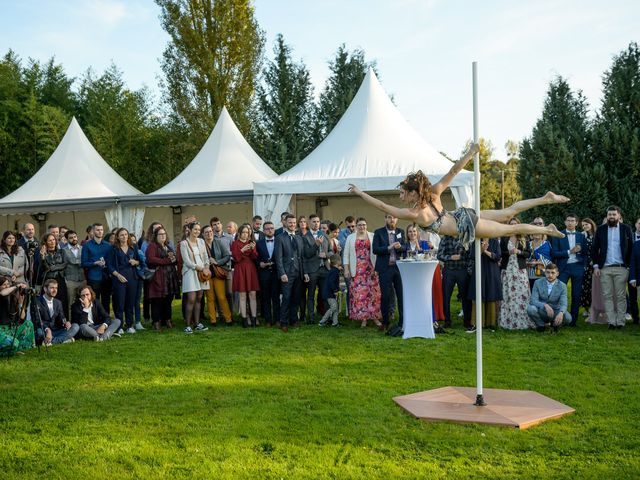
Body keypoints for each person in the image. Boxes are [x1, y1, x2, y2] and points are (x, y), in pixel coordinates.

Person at [348, 144, 567, 249]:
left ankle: (547, 230)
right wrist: (470, 154)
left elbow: (383, 207)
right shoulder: (434, 193)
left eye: (403, 193)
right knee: (508, 212)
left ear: (414, 192)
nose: (401, 196)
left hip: (466, 225)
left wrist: (360, 193)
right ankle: (545, 198)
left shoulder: (414, 213)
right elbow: (453, 172)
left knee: (511, 228)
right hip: (464, 213)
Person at [591, 206, 634, 329]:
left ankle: (620, 322)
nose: (611, 217)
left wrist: (629, 267)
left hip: (621, 268)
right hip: (605, 268)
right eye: (609, 214)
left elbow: (630, 248)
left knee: (621, 296)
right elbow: (595, 249)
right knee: (607, 295)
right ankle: (611, 321)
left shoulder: (626, 229)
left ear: (619, 216)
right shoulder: (601, 229)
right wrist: (596, 266)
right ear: (607, 216)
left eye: (614, 214)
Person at [344, 217, 382, 328]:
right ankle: (363, 318)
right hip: (357, 270)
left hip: (371, 268)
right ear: (356, 226)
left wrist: (377, 268)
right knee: (360, 295)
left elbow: (377, 253)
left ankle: (375, 317)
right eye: (360, 225)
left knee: (373, 294)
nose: (362, 227)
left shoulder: (372, 236)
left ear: (366, 225)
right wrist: (346, 269)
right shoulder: (350, 238)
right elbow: (346, 254)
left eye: (364, 224)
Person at [274, 214, 308, 332]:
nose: (292, 225)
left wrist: (305, 273)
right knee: (286, 298)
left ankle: (294, 320)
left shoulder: (299, 238)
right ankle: (283, 322)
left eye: (294, 223)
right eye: (290, 223)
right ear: (285, 223)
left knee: (296, 298)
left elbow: (302, 257)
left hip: (298, 272)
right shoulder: (280, 238)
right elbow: (278, 258)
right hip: (286, 273)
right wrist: (282, 273)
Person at [405, 224, 445, 326]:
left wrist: (418, 247)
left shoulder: (424, 243)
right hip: (411, 275)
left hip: (423, 275)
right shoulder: (405, 245)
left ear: (417, 233)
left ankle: (429, 318)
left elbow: (427, 257)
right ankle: (413, 317)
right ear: (407, 234)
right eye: (410, 232)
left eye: (414, 231)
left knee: (426, 295)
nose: (412, 233)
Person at [551, 213, 586, 325]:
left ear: (576, 223)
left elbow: (585, 253)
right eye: (568, 220)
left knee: (576, 294)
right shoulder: (559, 235)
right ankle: (558, 318)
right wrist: (569, 252)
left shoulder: (581, 236)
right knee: (559, 293)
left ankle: (573, 320)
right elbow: (554, 253)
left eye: (572, 221)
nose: (570, 223)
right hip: (563, 268)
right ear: (565, 222)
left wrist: (583, 266)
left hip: (577, 267)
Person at [498, 219, 533, 330]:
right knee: (507, 294)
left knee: (521, 294)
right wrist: (508, 252)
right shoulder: (504, 238)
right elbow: (500, 253)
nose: (513, 226)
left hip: (520, 270)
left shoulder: (524, 238)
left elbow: (528, 254)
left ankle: (522, 321)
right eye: (511, 224)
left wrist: (519, 252)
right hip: (507, 270)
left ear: (519, 225)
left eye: (515, 224)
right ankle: (506, 321)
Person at [372, 214, 405, 331]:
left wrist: (400, 247)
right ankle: (385, 322)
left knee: (401, 295)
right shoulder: (378, 232)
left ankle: (402, 321)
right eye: (389, 217)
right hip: (385, 269)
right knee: (385, 296)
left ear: (397, 219)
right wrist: (388, 247)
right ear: (385, 219)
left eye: (394, 217)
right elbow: (375, 249)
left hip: (398, 268)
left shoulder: (401, 232)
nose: (392, 220)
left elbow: (405, 247)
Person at [107, 228, 141, 335]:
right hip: (119, 277)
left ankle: (130, 325)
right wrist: (117, 275)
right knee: (119, 303)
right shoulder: (113, 249)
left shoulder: (133, 247)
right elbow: (109, 265)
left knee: (130, 303)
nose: (124, 237)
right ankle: (119, 326)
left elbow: (139, 261)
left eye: (126, 234)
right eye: (122, 235)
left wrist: (136, 262)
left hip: (132, 277)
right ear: (117, 237)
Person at [145, 227, 180, 331]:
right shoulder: (152, 246)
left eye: (164, 234)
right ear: (155, 236)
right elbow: (150, 259)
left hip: (169, 278)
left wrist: (173, 259)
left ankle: (168, 320)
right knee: (157, 301)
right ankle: (156, 323)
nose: (163, 236)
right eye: (160, 234)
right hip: (158, 278)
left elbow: (173, 260)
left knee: (168, 300)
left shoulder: (167, 246)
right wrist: (166, 261)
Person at [180, 222, 210, 334]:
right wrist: (200, 268)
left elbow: (206, 257)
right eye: (195, 229)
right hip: (190, 272)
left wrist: (206, 267)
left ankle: (197, 324)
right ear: (190, 230)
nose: (197, 231)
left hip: (202, 273)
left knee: (199, 298)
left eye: (198, 229)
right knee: (191, 299)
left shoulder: (201, 241)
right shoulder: (183, 243)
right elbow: (187, 261)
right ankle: (188, 325)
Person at [467, 238, 502, 331]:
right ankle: (476, 323)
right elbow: (471, 256)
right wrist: (481, 250)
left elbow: (497, 257)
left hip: (492, 270)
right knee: (478, 294)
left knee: (491, 293)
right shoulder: (477, 241)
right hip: (479, 270)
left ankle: (491, 323)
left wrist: (485, 251)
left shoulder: (494, 241)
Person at [31, 279, 79, 346]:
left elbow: (62, 317)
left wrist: (65, 323)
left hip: (56, 330)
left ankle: (52, 342)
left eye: (56, 288)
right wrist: (47, 329)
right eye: (52, 288)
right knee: (39, 333)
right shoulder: (36, 302)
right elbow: (36, 320)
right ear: (45, 289)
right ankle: (65, 339)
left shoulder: (58, 302)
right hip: (43, 330)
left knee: (75, 326)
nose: (55, 290)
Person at [438, 235, 472, 329]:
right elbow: (439, 255)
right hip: (449, 270)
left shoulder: (465, 237)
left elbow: (470, 255)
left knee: (465, 297)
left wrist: (468, 268)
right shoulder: (445, 238)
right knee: (446, 297)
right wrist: (450, 257)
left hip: (463, 270)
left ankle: (467, 321)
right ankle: (447, 321)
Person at [302, 214, 330, 324]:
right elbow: (307, 254)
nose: (316, 223)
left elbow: (332, 251)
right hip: (312, 270)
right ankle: (311, 318)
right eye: (314, 221)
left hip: (324, 268)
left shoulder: (325, 235)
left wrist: (326, 255)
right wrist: (316, 245)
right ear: (309, 223)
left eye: (318, 221)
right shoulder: (305, 237)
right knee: (311, 295)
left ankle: (327, 318)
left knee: (325, 295)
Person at [202, 225, 232, 327]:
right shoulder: (201, 245)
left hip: (218, 274)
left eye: (210, 231)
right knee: (210, 298)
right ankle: (213, 320)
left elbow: (228, 256)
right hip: (207, 274)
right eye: (206, 232)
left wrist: (217, 262)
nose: (209, 233)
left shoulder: (219, 242)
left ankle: (228, 319)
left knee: (221, 297)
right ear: (203, 234)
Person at [527, 263, 572, 332]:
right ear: (545, 273)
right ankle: (540, 325)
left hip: (555, 311)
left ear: (557, 274)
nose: (550, 275)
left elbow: (564, 303)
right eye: (548, 272)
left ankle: (555, 324)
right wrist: (545, 305)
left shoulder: (562, 286)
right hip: (542, 311)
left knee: (568, 318)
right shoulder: (537, 282)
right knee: (530, 309)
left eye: (553, 273)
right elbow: (533, 300)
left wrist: (561, 313)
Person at [231, 224, 260, 328]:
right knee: (242, 295)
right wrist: (242, 250)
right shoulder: (235, 243)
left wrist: (252, 249)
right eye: (243, 232)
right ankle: (244, 318)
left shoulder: (251, 243)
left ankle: (253, 318)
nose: (245, 234)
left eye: (247, 232)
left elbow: (255, 257)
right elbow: (236, 259)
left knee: (253, 294)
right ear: (239, 233)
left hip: (250, 269)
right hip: (240, 269)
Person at [81, 223, 113, 313]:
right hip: (94, 277)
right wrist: (95, 263)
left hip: (106, 276)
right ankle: (96, 320)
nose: (100, 232)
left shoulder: (108, 245)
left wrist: (106, 263)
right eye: (98, 230)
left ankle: (106, 321)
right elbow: (83, 263)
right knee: (95, 300)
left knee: (106, 300)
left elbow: (111, 261)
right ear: (93, 231)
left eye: (101, 230)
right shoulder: (87, 246)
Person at [34, 233, 69, 314]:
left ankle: (64, 321)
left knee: (62, 301)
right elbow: (45, 267)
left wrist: (53, 267)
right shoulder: (43, 253)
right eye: (50, 240)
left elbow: (65, 264)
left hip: (60, 279)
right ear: (45, 242)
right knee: (49, 302)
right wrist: (42, 257)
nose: (52, 242)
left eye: (53, 240)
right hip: (48, 280)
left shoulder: (61, 251)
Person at [0, 276, 34, 356]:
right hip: (1, 331)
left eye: (8, 284)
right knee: (14, 343)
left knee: (28, 324)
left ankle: (20, 349)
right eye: (4, 285)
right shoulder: (1, 296)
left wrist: (21, 303)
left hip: (11, 329)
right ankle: (11, 350)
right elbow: (2, 293)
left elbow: (22, 319)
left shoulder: (13, 298)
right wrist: (16, 286)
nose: (7, 286)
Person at [255, 221, 280, 327]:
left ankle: (277, 319)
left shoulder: (279, 241)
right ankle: (268, 320)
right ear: (264, 231)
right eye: (267, 229)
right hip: (264, 274)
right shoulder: (258, 243)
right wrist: (259, 263)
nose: (270, 230)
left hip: (276, 273)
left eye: (272, 228)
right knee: (265, 298)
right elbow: (255, 258)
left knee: (276, 297)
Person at [61, 230, 85, 318]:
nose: (74, 239)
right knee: (70, 303)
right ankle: (70, 322)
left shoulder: (83, 248)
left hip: (82, 280)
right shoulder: (63, 250)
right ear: (67, 239)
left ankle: (83, 321)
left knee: (84, 302)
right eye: (71, 238)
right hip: (70, 280)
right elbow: (63, 265)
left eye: (75, 237)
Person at [527, 218, 552, 290]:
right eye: (535, 232)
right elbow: (523, 258)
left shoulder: (547, 244)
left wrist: (537, 262)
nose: (537, 234)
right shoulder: (527, 244)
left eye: (539, 233)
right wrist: (529, 263)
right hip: (529, 276)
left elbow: (550, 259)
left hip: (543, 275)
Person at [579, 218, 597, 317]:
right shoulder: (582, 236)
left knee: (595, 287)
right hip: (586, 265)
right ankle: (586, 308)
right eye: (583, 225)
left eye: (587, 224)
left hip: (596, 264)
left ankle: (596, 307)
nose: (585, 226)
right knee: (586, 287)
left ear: (591, 224)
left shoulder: (597, 235)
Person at [319, 254, 342, 327]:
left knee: (335, 308)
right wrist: (335, 290)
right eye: (340, 260)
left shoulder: (334, 270)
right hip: (329, 293)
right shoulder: (334, 272)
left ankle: (335, 323)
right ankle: (323, 321)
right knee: (334, 307)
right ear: (337, 262)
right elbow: (331, 282)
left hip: (329, 292)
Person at [628, 217, 640, 324]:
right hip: (630, 269)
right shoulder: (629, 237)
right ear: (636, 224)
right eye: (639, 223)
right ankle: (635, 317)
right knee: (632, 296)